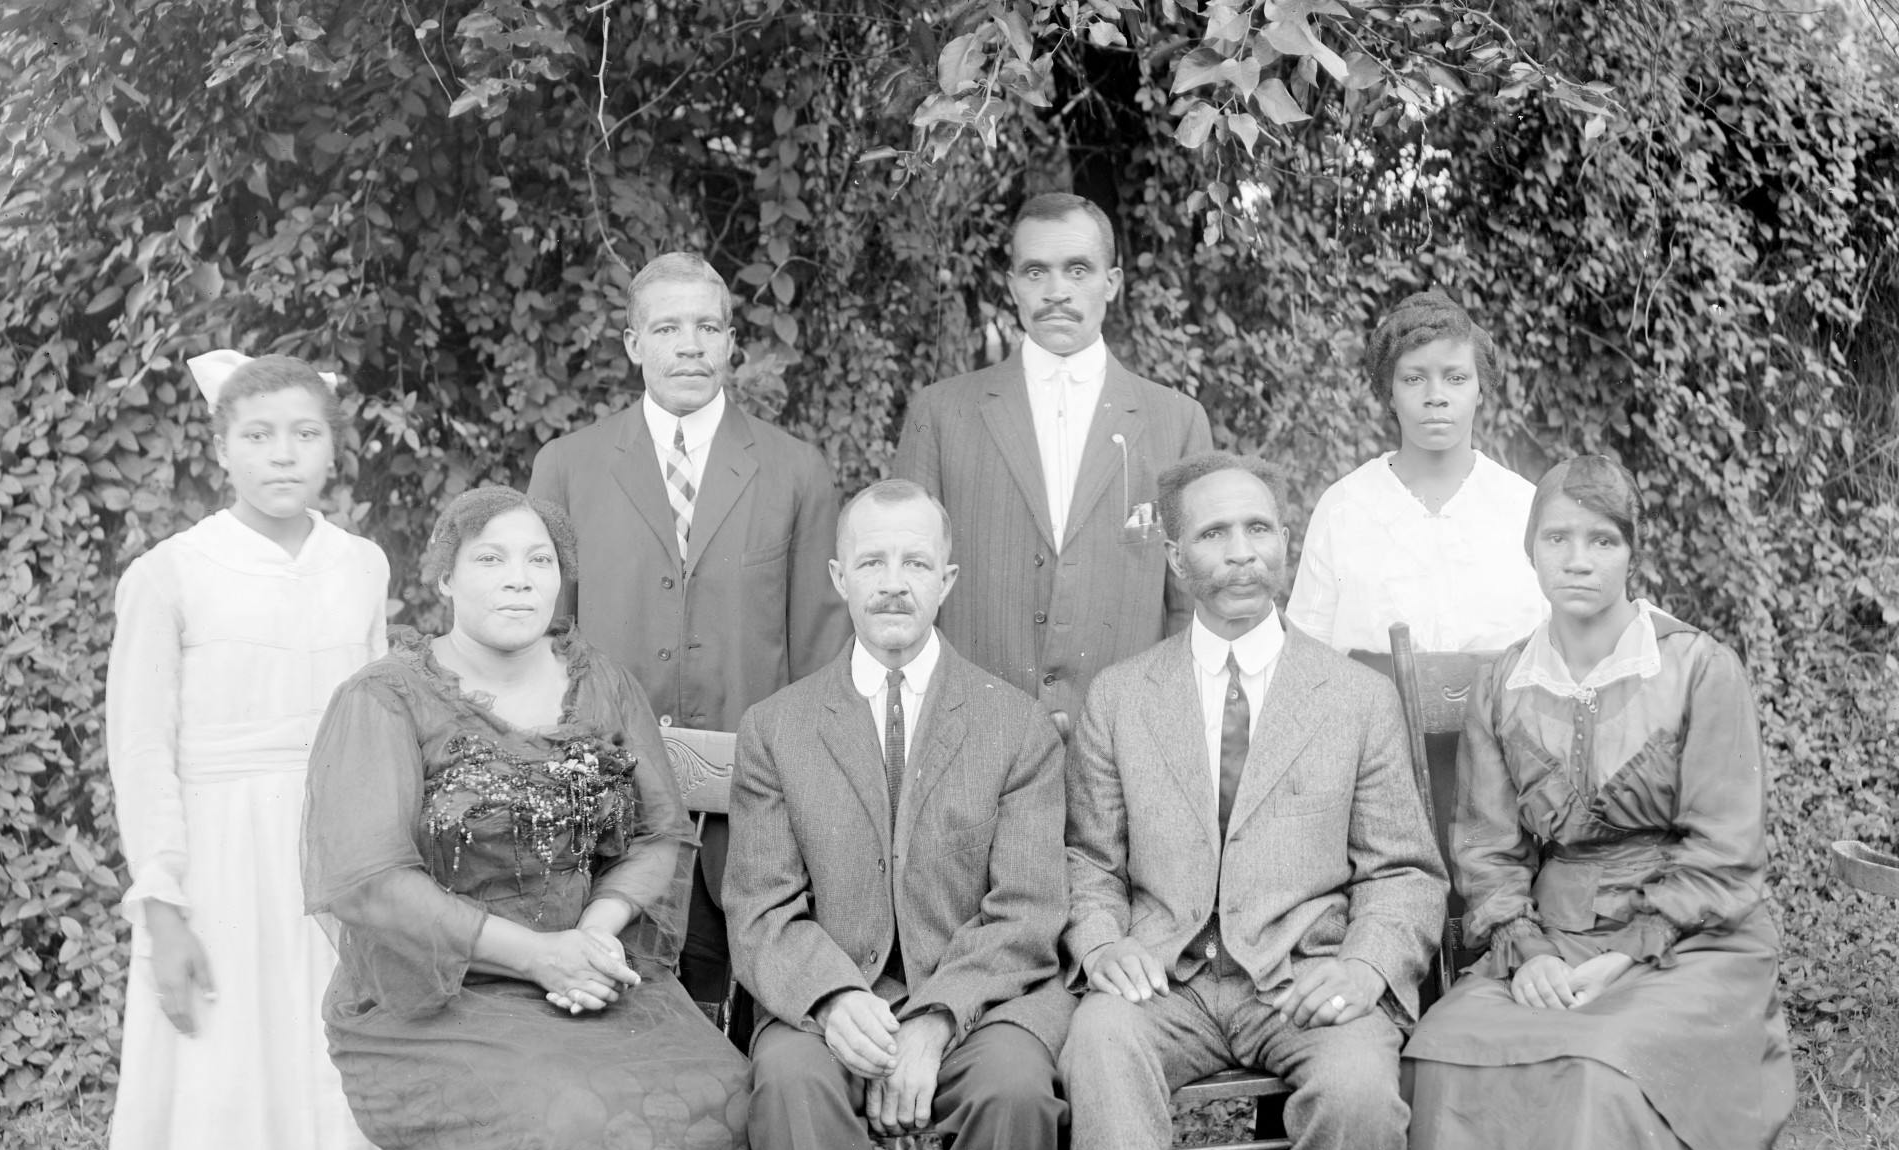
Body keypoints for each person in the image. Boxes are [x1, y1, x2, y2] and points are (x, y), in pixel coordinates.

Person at [302, 487, 772, 1150]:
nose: (518, 580)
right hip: (436, 1000)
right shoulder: (384, 702)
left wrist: (597, 930)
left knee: (724, 1100)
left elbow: (658, 834)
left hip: (592, 971)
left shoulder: (600, 681)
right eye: (492, 560)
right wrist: (532, 951)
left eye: (538, 562)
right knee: (571, 1134)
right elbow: (372, 881)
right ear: (444, 577)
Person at [1061, 452, 1446, 1150]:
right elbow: (1086, 863)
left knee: (1365, 1091)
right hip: (1169, 979)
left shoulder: (1352, 696)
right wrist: (1100, 941)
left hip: (1306, 974)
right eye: (1215, 535)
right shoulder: (1120, 696)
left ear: (1282, 542)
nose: (1240, 553)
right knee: (1095, 1049)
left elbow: (1405, 871)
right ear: (1175, 555)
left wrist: (1367, 965)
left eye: (1258, 530)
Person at [1398, 455, 1791, 1150]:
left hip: (1687, 939)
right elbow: (1483, 851)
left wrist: (1620, 955)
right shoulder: (1504, 680)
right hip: (1547, 934)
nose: (1578, 560)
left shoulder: (1697, 667)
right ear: (1529, 552)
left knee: (1601, 1062)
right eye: (1557, 539)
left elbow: (1724, 852)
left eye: (1600, 540)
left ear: (1629, 552)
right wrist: (1521, 944)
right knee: (1445, 1045)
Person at [725, 479, 1075, 1150]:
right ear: (837, 579)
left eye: (914, 562)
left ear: (947, 580)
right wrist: (831, 994)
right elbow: (759, 908)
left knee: (1016, 1089)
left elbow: (1025, 909)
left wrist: (932, 1017)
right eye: (870, 562)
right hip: (835, 1000)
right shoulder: (778, 727)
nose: (892, 582)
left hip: (972, 1000)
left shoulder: (1013, 725)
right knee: (784, 1077)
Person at [102, 350, 391, 1150]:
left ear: (330, 448)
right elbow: (142, 746)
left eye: (302, 435)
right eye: (259, 435)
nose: (283, 455)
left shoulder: (359, 565)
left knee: (332, 1077)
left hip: (335, 852)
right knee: (233, 1082)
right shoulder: (171, 572)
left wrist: (383, 868)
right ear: (219, 449)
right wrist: (162, 901)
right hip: (219, 858)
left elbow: (378, 723)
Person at [529, 251, 848, 1010]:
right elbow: (545, 642)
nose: (690, 345)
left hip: (752, 814)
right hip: (607, 812)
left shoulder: (797, 471)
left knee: (739, 1020)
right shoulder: (567, 467)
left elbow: (821, 649)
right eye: (667, 327)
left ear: (733, 340)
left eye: (708, 327)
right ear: (634, 342)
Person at [892, 192, 1213, 733]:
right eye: (1036, 271)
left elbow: (1189, 602)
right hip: (970, 736)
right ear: (1012, 284)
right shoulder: (941, 413)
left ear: (1111, 282)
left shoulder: (1176, 421)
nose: (1057, 291)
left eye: (1078, 270)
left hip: (1125, 739)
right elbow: (906, 586)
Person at [1287, 287, 1543, 657]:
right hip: (1367, 714)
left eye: (1456, 378)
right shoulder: (1344, 507)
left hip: (1500, 714)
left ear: (1481, 389)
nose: (1435, 395)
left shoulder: (1524, 506)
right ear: (1389, 392)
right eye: (1413, 378)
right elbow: (1305, 658)